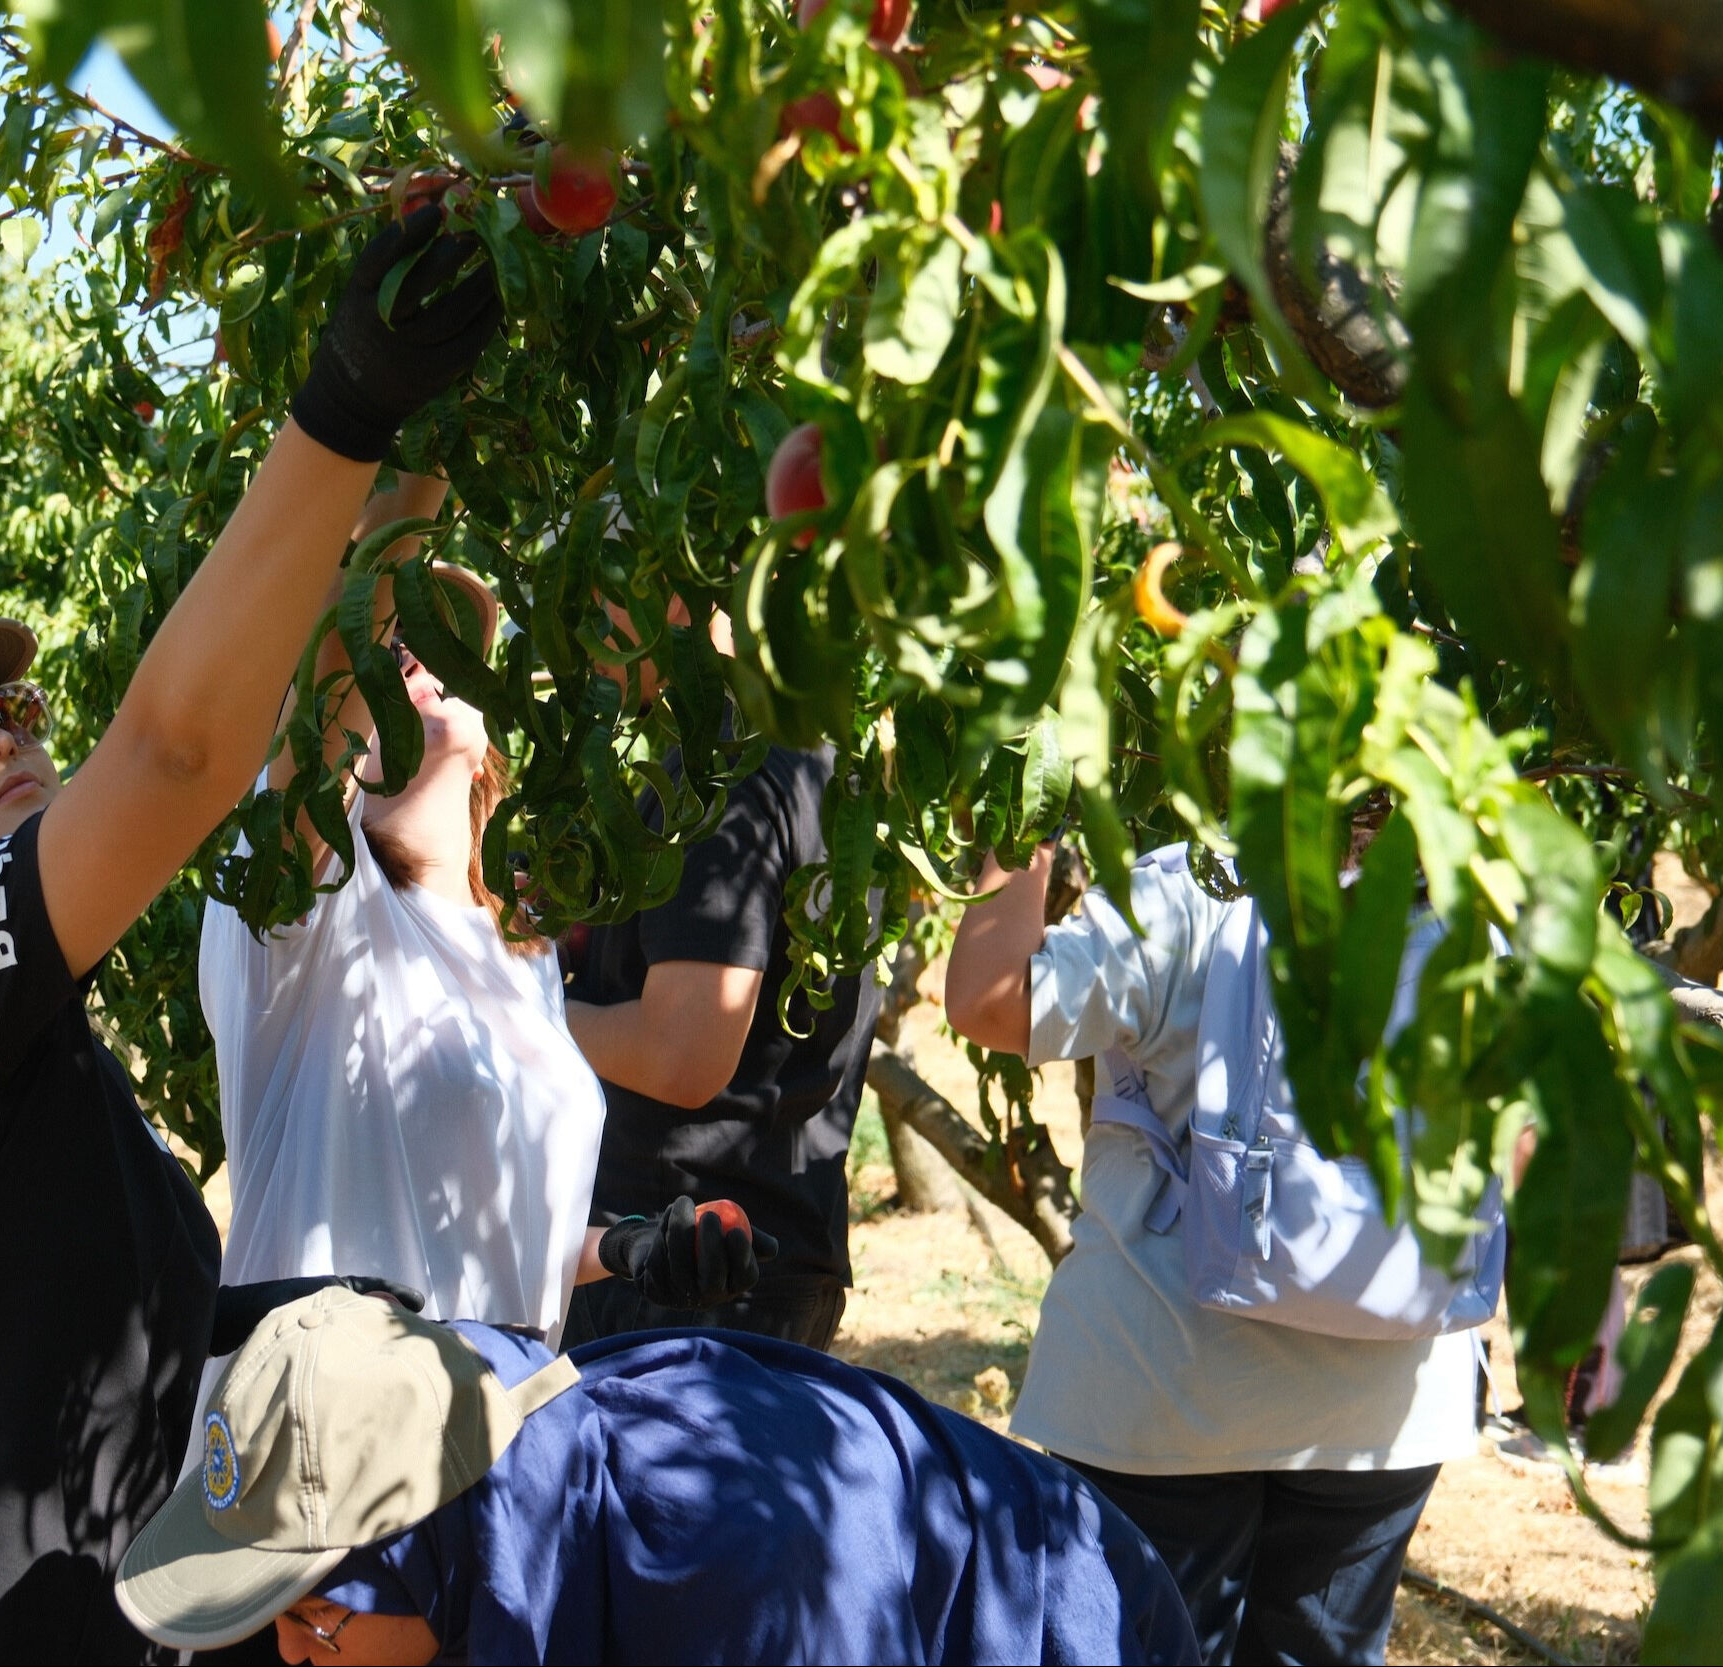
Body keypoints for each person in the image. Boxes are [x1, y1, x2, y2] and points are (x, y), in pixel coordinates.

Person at [0, 205, 501, 1665]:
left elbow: (131, 1344)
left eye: (7, 712)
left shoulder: (47, 1067)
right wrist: (346, 402)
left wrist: (420, 457)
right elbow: (175, 759)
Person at [201, 480, 771, 1358]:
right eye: (389, 642)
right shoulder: (300, 909)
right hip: (334, 1449)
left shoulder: (522, 951)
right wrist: (420, 438)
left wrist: (625, 1247)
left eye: (443, 644)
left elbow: (494, 1245)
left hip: (501, 1435)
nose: (415, 657)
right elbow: (329, 662)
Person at [942, 839, 1481, 1666]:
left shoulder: (1191, 889)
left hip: (1162, 1388)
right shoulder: (1480, 902)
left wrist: (1028, 815)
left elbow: (991, 1001)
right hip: (1386, 1391)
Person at [110, 1287, 1197, 1665]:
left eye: (311, 1619)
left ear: (422, 1550)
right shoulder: (516, 1517)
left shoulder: (734, 1576)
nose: (292, 1655)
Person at [561, 606, 881, 1352]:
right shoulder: (824, 755)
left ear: (673, 596)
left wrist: (529, 1013)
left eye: (601, 578)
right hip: (775, 1251)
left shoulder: (718, 777)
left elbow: (682, 1050)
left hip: (682, 1269)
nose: (576, 620)